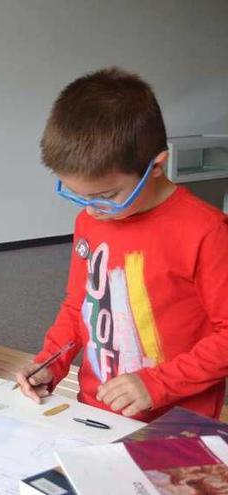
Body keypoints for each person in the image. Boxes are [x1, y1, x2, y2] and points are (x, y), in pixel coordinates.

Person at [14, 67, 228, 422]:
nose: (92, 209)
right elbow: (79, 305)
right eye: (78, 196)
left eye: (107, 195)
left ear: (156, 166)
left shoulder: (206, 231)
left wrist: (157, 383)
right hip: (96, 411)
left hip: (173, 422)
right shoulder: (90, 220)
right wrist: (51, 362)